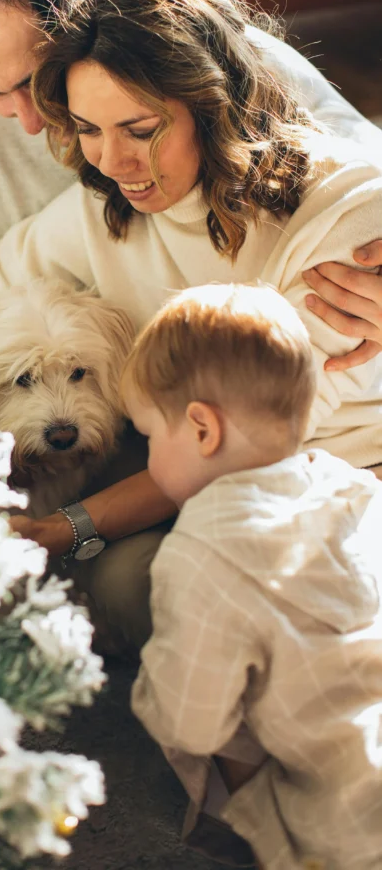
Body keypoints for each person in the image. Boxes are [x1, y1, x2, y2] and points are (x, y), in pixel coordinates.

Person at [0, 0, 382, 653]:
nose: (112, 161)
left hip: (343, 483)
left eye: (139, 130)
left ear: (211, 102)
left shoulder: (346, 216)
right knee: (127, 588)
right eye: (88, 130)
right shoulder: (105, 208)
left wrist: (66, 526)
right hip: (210, 491)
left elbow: (225, 441)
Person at [0, 0, 382, 375]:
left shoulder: (212, 58)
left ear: (90, 17)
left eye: (34, 80)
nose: (28, 121)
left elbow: (358, 168)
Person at [121, 282, 382, 870]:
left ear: (202, 429)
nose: (148, 457)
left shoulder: (200, 550)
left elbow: (192, 719)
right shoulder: (353, 486)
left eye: (148, 437)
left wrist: (151, 686)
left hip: (343, 828)